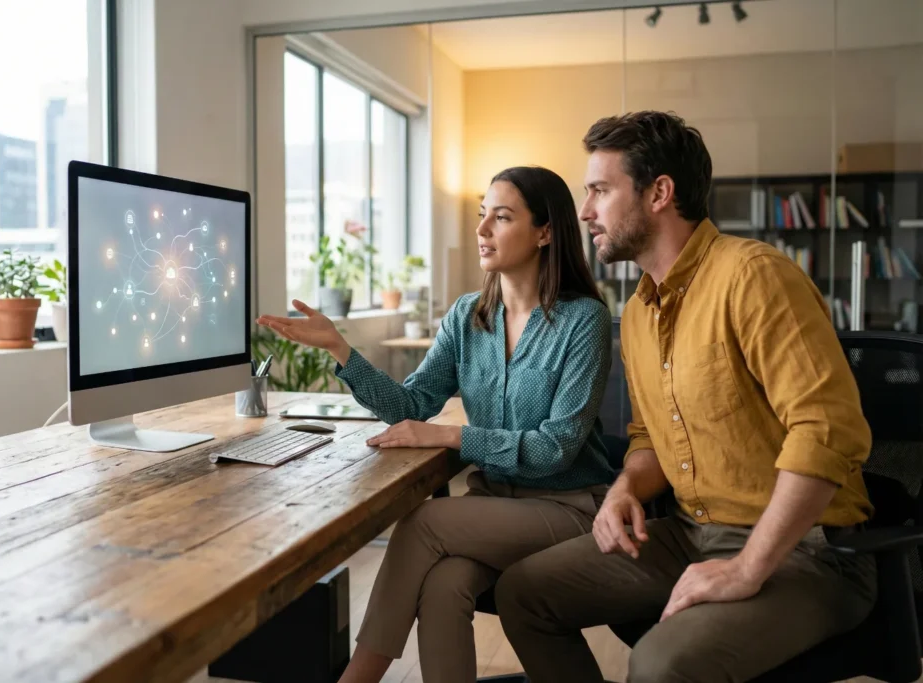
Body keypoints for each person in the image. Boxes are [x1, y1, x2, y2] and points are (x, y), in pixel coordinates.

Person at [493, 111, 877, 683]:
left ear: (659, 194)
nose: (584, 211)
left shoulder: (754, 277)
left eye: (599, 190)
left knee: (658, 666)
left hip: (806, 552)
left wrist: (747, 567)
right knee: (523, 593)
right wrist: (626, 487)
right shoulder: (638, 316)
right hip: (693, 531)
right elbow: (652, 437)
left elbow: (826, 433)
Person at [256, 165, 614, 683]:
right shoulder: (467, 316)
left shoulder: (584, 320)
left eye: (502, 217)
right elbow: (413, 403)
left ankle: (356, 678)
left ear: (545, 232)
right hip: (496, 507)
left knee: (423, 524)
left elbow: (555, 448)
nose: (482, 229)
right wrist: (340, 347)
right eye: (481, 215)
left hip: (569, 508)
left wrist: (451, 435)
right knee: (444, 585)